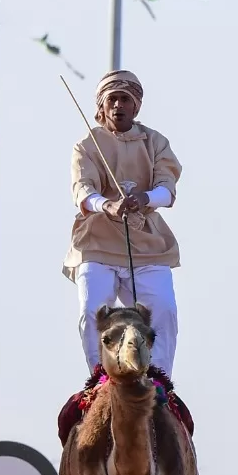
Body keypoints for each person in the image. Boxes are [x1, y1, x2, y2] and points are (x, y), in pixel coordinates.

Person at [64, 69, 182, 375]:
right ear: (102, 106)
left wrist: (143, 198)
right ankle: (98, 377)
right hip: (97, 244)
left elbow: (167, 190)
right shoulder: (87, 145)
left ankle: (160, 381)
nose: (118, 105)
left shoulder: (156, 142)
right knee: (92, 311)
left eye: (124, 99)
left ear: (135, 106)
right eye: (112, 99)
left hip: (147, 246)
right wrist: (108, 206)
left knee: (164, 310)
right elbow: (83, 190)